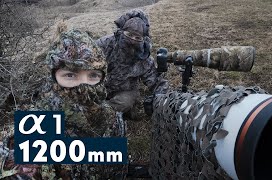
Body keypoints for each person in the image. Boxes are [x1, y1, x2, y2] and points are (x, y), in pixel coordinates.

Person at [0, 28, 126, 179]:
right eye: (70, 75)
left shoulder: (111, 118)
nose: (83, 87)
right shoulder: (37, 129)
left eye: (93, 75)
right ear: (53, 78)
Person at [96, 10, 169, 119]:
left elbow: (157, 82)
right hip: (98, 86)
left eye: (137, 38)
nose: (132, 40)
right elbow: (86, 64)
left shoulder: (145, 59)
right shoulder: (104, 44)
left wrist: (164, 102)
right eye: (129, 35)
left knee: (126, 101)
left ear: (143, 39)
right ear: (121, 32)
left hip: (124, 91)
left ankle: (101, 113)